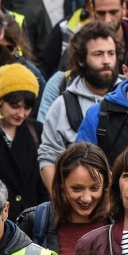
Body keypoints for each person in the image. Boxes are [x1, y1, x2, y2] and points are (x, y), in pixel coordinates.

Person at [38, 22, 122, 190]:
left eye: (111, 53)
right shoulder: (62, 106)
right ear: (82, 60)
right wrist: (61, 201)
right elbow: (48, 156)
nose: (106, 61)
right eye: (98, 54)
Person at [0, 63, 49, 211]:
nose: (21, 114)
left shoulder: (37, 130)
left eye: (27, 108)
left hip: (31, 218)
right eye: (15, 106)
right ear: (0, 100)